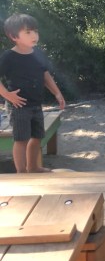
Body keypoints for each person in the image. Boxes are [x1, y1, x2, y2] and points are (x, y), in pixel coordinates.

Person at [0, 14, 65, 173]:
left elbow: (45, 75)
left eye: (35, 31)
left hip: (36, 103)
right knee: (21, 139)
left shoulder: (38, 53)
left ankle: (33, 167)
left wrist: (57, 93)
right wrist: (7, 95)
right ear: (13, 36)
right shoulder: (8, 57)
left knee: (37, 137)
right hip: (19, 105)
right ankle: (21, 173)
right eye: (28, 32)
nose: (34, 35)